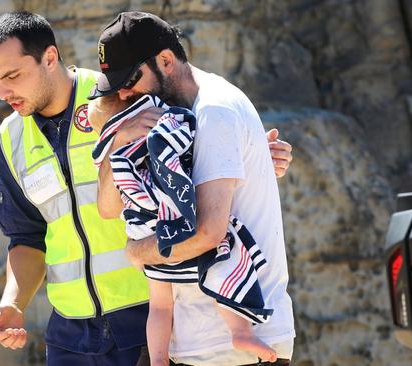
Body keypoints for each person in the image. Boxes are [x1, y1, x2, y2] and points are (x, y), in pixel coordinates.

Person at [0, 11, 293, 366]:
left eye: (12, 76)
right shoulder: (9, 141)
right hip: (69, 334)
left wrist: (252, 157)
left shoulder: (118, 97)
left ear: (49, 58)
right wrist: (13, 302)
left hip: (146, 317)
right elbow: (25, 237)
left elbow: (191, 148)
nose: (3, 92)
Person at [88, 11, 295, 366]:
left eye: (130, 79)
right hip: (193, 345)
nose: (124, 93)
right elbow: (109, 207)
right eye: (116, 85)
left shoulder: (214, 110)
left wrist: (138, 253)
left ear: (166, 61)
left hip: (236, 350)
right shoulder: (165, 120)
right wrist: (118, 139)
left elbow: (208, 233)